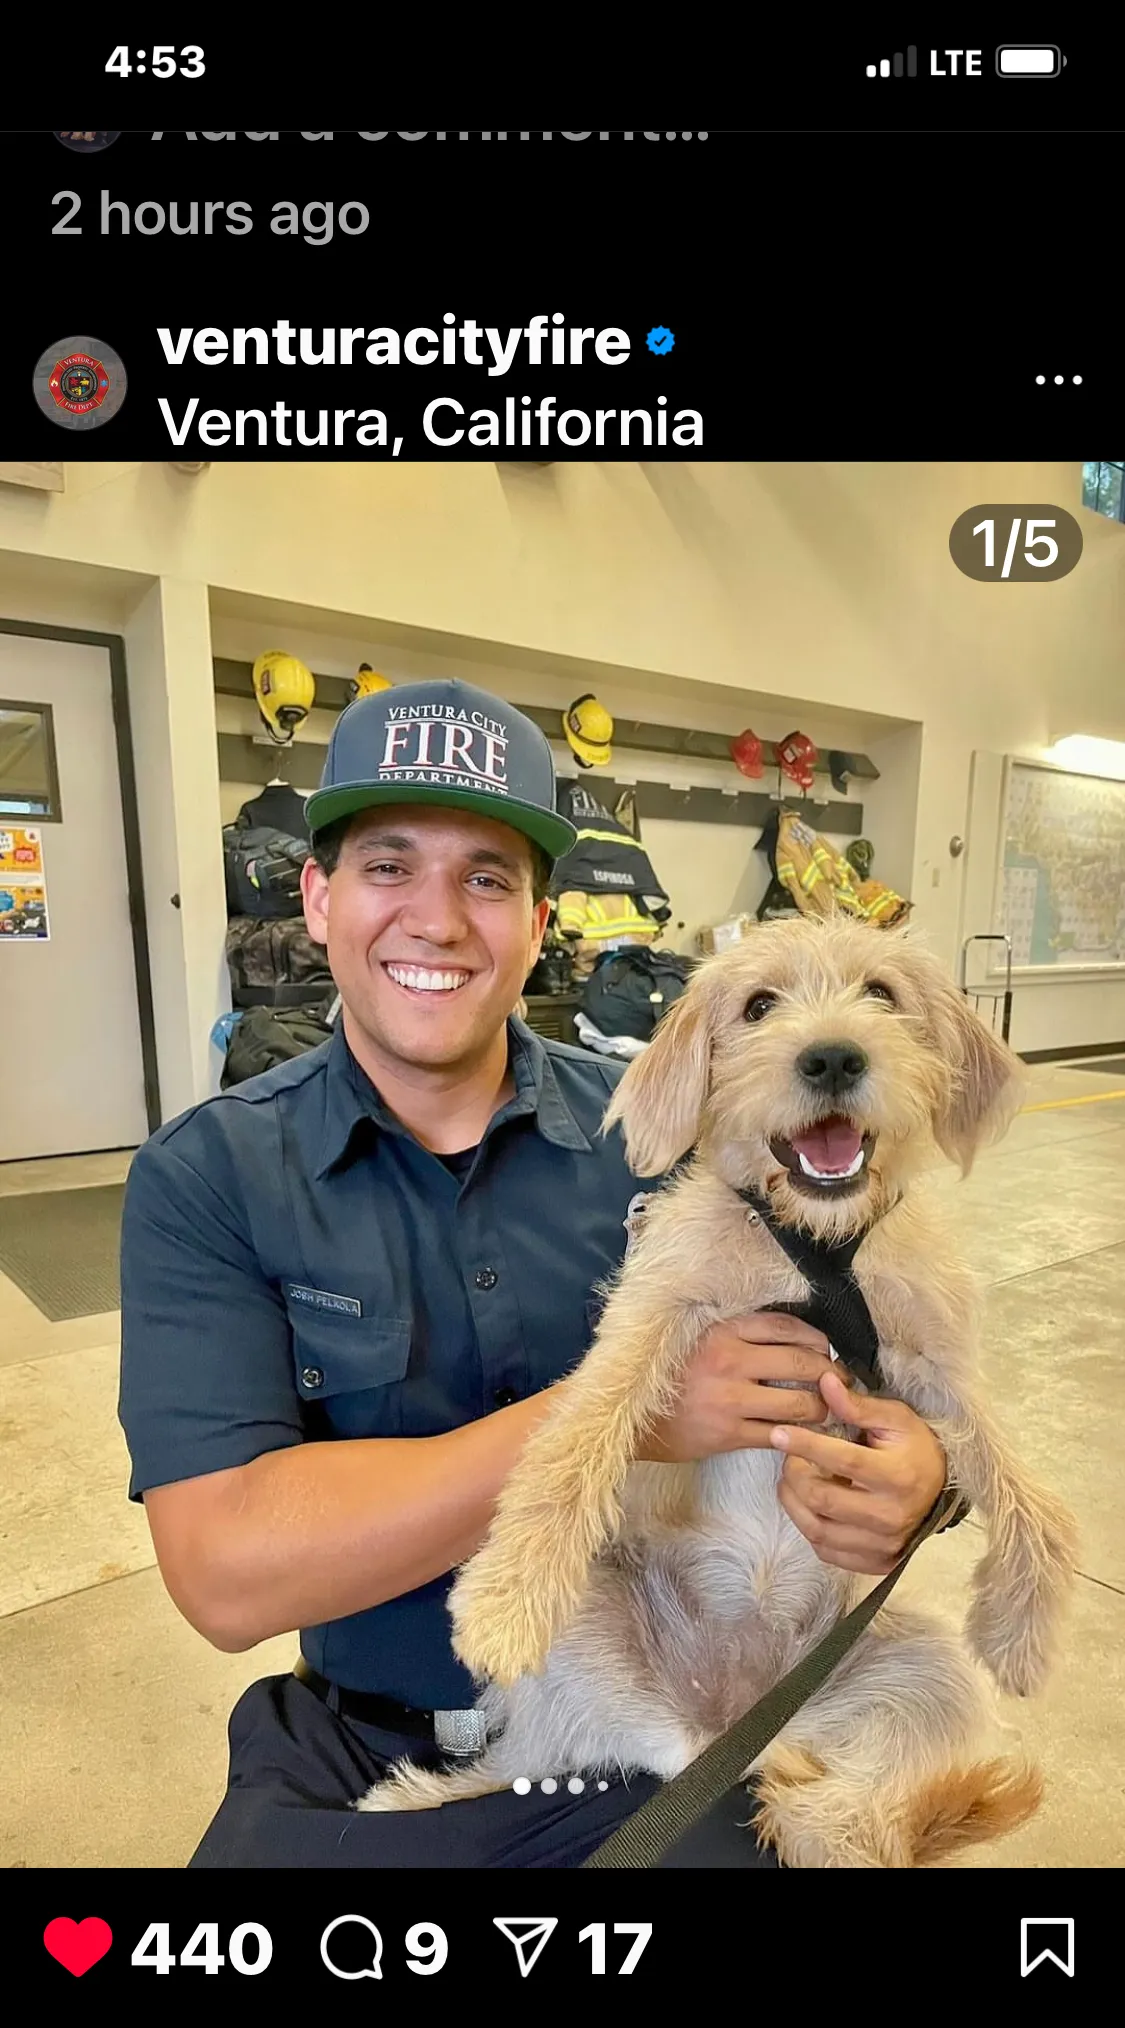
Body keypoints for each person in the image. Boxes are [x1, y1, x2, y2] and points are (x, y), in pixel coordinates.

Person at [118, 680, 950, 1869]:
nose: (439, 920)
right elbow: (227, 1578)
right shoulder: (210, 1179)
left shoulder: (669, 1144)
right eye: (389, 867)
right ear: (316, 897)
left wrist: (919, 1480)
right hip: (378, 1747)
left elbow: (880, 1353)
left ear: (541, 917)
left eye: (489, 878)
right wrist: (624, 1417)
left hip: (677, 1719)